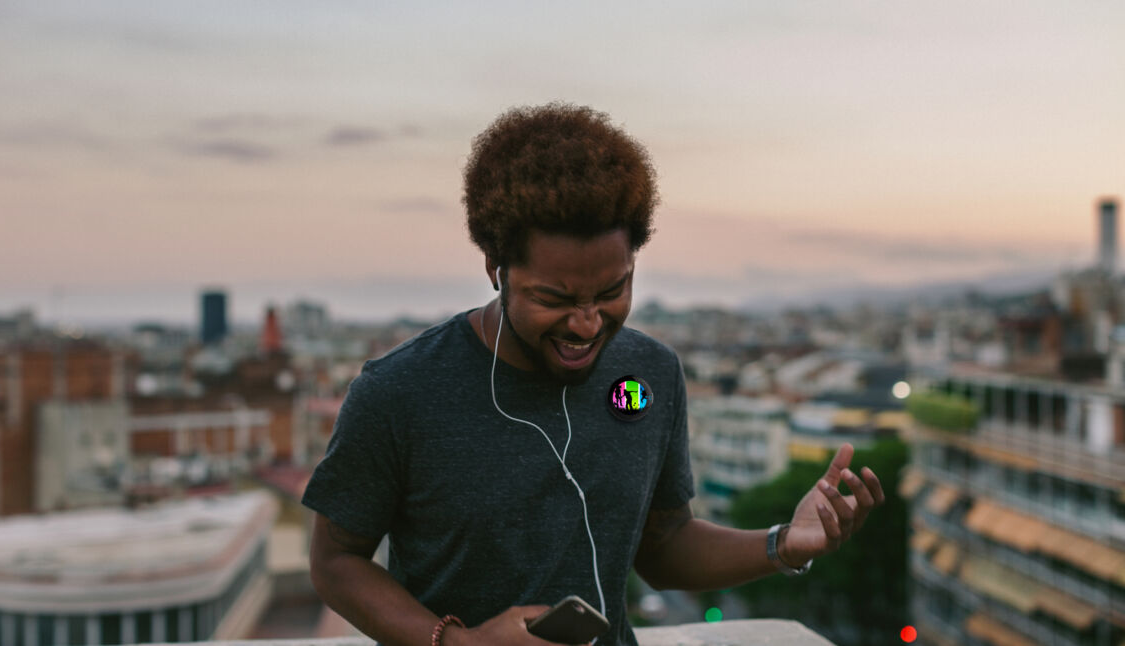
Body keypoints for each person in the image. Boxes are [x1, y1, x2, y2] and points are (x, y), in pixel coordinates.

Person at [303, 103, 885, 646]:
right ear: (496, 269)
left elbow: (663, 546)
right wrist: (459, 643)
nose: (586, 324)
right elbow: (335, 561)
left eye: (612, 291)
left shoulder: (651, 375)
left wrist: (784, 544)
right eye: (554, 298)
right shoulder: (398, 392)